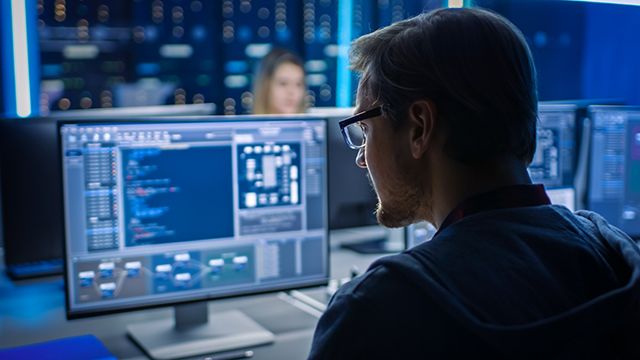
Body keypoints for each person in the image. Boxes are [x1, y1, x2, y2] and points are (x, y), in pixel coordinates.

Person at [308, 7, 640, 360]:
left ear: (419, 127)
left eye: (365, 129)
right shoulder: (611, 259)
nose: (361, 157)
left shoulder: (374, 311)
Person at [252, 47, 307, 115]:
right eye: (283, 83)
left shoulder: (314, 125)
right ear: (266, 85)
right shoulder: (249, 125)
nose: (291, 91)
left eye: (298, 84)